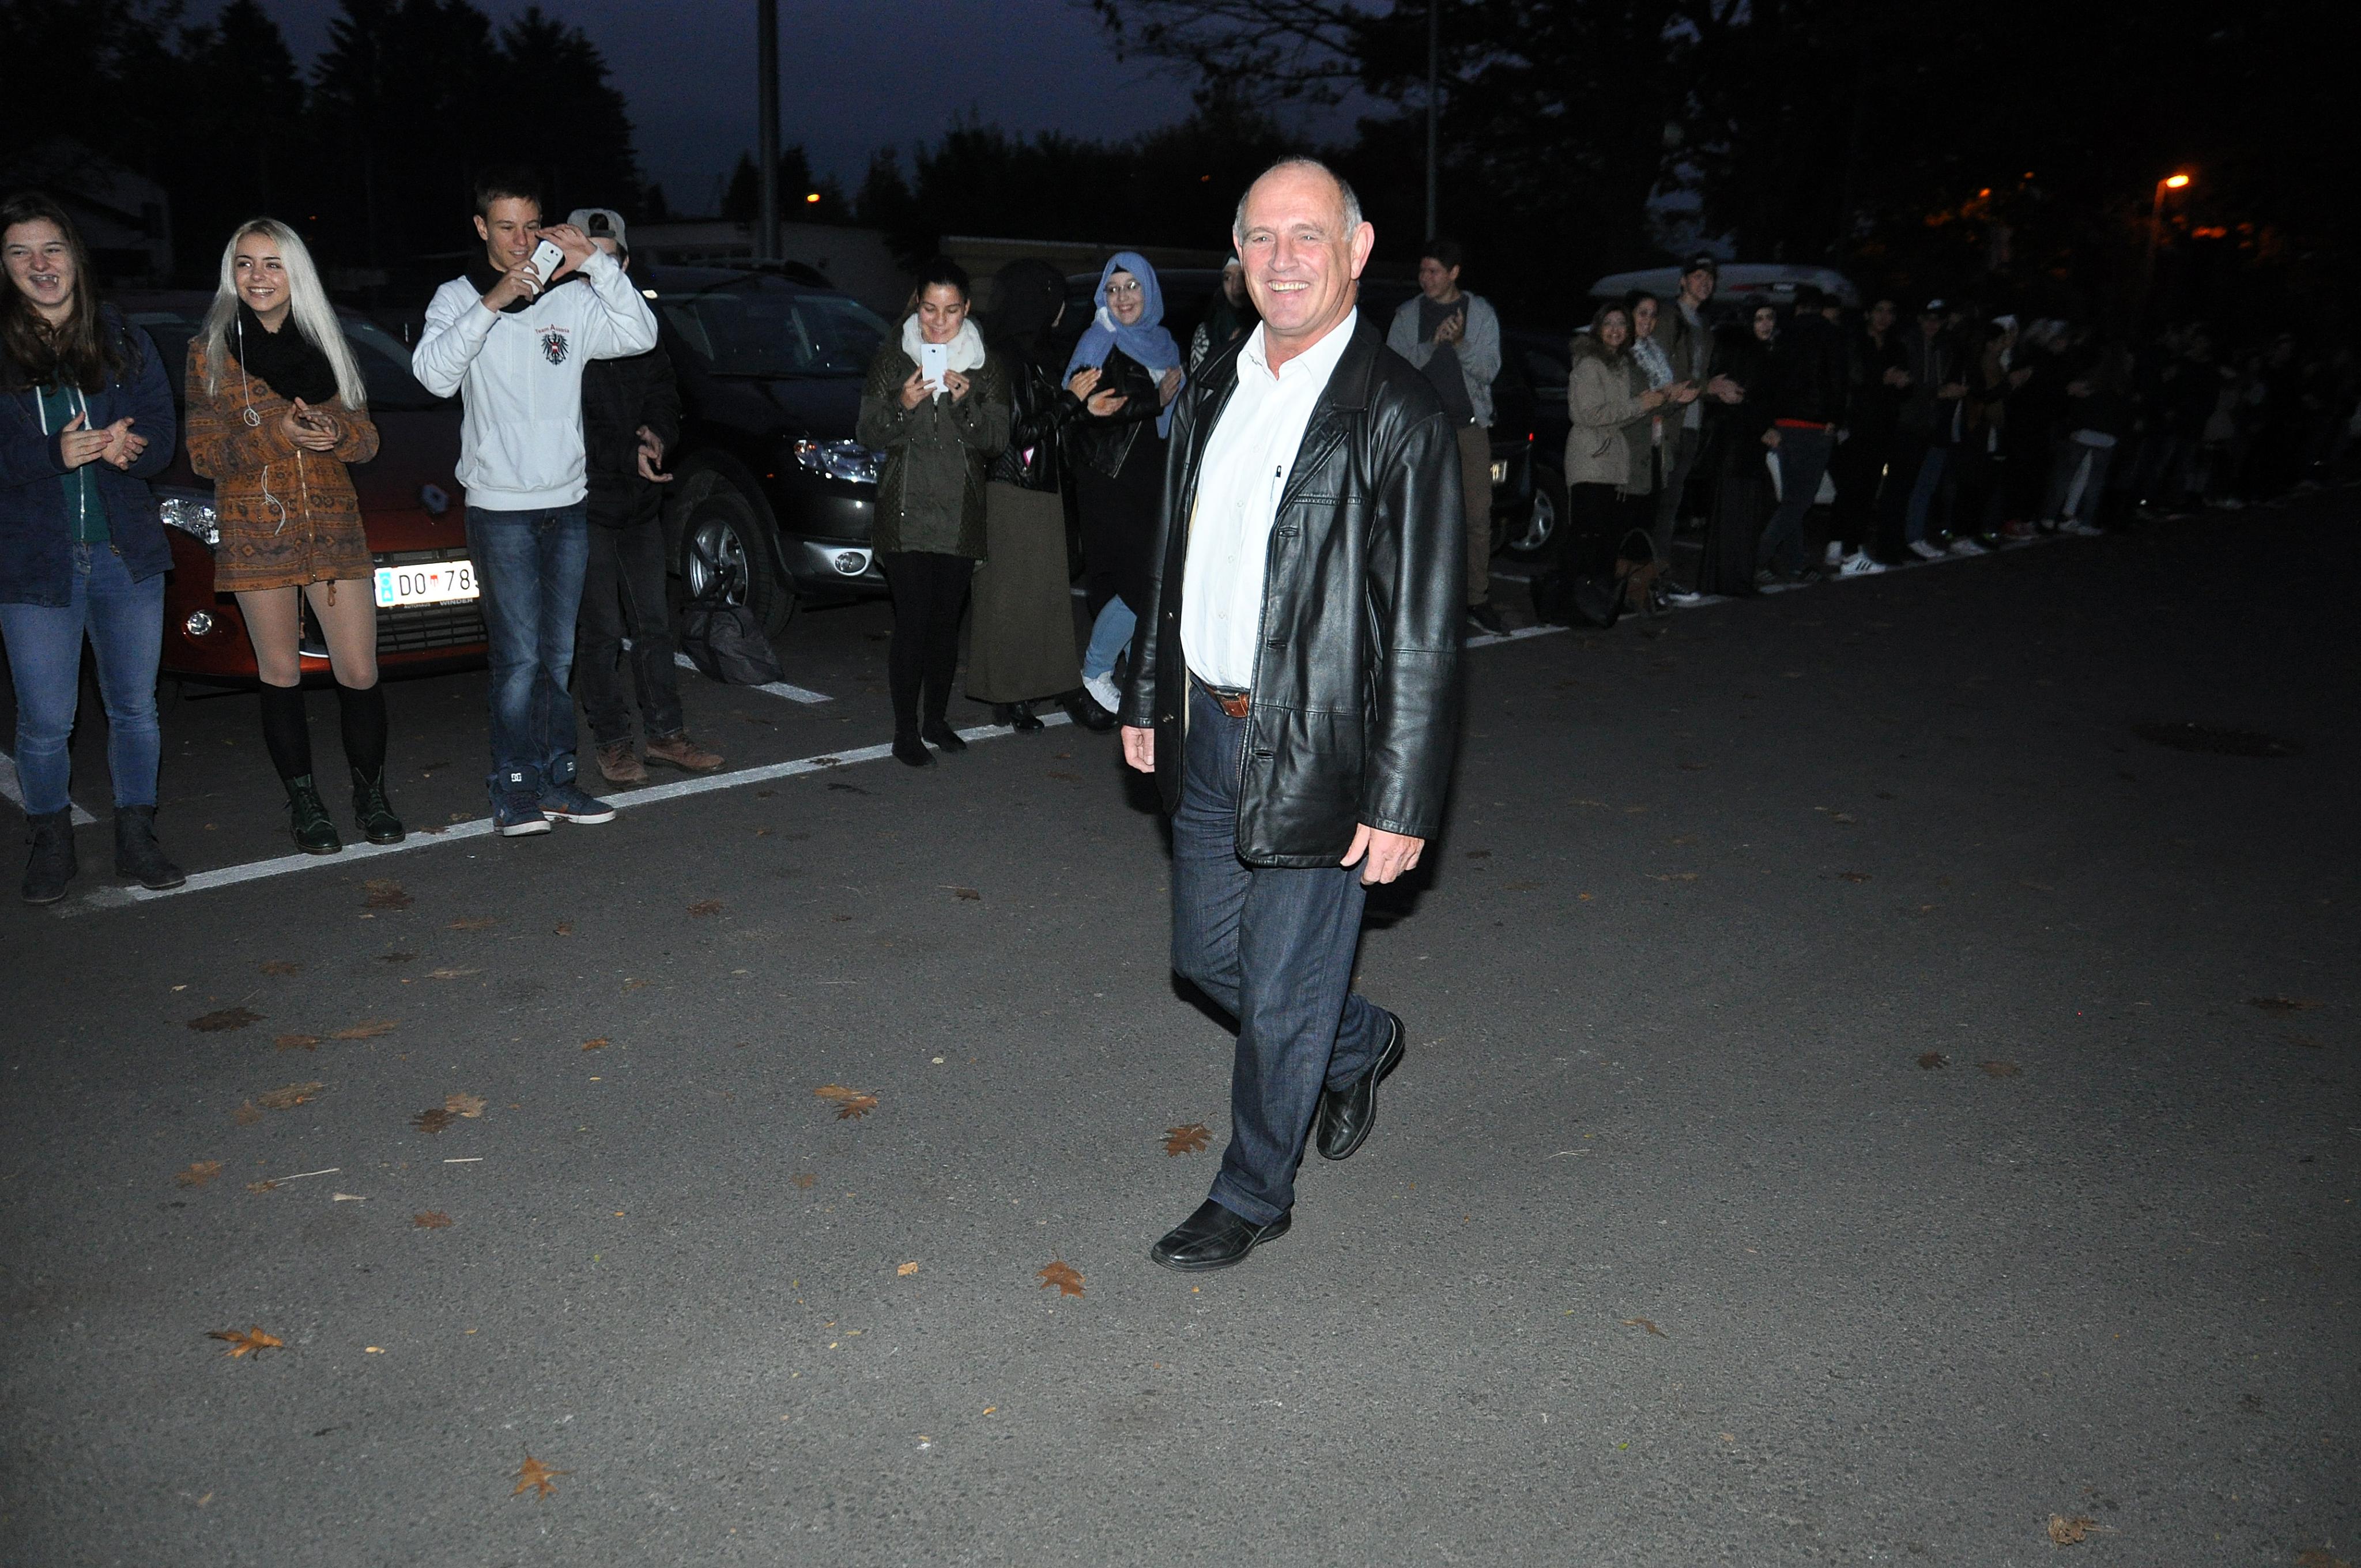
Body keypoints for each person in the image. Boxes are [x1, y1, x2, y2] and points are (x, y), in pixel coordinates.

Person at [1119, 157, 1463, 1272]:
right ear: (1237, 255)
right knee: (1206, 958)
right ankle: (1357, 1040)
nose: (1283, 259)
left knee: (1277, 990)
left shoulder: (1396, 411)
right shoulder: (1213, 385)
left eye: (1307, 235)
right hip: (1207, 728)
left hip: (1323, 743)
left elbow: (1424, 626)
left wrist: (1402, 797)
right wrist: (1145, 689)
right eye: (1261, 237)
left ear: (1356, 251)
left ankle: (1252, 1191)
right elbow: (1172, 557)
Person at [411, 172, 659, 835]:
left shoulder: (571, 299)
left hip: (568, 503)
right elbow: (433, 376)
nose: (521, 241)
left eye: (530, 226)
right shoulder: (457, 297)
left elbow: (640, 334)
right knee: (518, 661)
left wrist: (596, 264)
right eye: (505, 227)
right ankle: (514, 786)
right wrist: (491, 303)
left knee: (557, 658)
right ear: (480, 228)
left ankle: (557, 780)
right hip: (500, 509)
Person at [184, 218, 399, 855]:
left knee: (359, 669)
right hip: (257, 530)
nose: (258, 277)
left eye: (272, 264)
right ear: (231, 273)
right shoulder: (209, 351)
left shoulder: (327, 341)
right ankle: (306, 805)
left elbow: (368, 439)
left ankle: (371, 796)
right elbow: (204, 455)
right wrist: (278, 435)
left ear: (294, 272)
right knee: (281, 672)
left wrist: (336, 434)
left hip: (334, 528)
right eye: (245, 263)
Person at [0, 192, 182, 902]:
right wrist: (54, 453)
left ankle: (137, 837)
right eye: (20, 252)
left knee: (136, 707)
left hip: (124, 554)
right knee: (46, 721)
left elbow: (161, 428)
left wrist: (131, 448)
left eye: (52, 248)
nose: (40, 264)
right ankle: (51, 841)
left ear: (74, 256)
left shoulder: (121, 334)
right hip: (34, 564)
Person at [564, 209, 721, 787]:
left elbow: (666, 395)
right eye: (586, 260)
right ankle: (613, 743)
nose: (596, 270)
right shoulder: (558, 326)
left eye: (607, 259)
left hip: (640, 504)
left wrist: (657, 436)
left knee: (654, 625)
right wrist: (624, 449)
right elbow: (566, 421)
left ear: (624, 264)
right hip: (584, 504)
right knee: (601, 633)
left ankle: (665, 735)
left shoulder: (642, 324)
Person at [855, 258, 1011, 767]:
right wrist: (902, 403)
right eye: (929, 309)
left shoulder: (986, 365)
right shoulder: (892, 360)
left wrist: (966, 404)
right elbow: (868, 432)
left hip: (960, 512)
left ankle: (936, 720)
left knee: (946, 625)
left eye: (950, 310)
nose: (938, 321)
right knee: (913, 622)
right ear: (916, 306)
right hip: (904, 511)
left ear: (966, 309)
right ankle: (905, 731)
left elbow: (997, 441)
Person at [968, 257, 1096, 733]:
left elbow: (1049, 422)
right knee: (1013, 597)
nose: (1062, 310)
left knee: (1035, 597)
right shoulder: (1009, 357)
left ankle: (1022, 692)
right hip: (1017, 489)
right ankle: (1014, 694)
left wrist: (1081, 407)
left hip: (1037, 486)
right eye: (1057, 299)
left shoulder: (1033, 352)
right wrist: (1070, 400)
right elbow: (1019, 431)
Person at [1065, 252, 1184, 721]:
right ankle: (1096, 672)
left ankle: (1137, 684)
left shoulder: (1164, 344)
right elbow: (1084, 406)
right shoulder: (1101, 338)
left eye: (1132, 286)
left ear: (1149, 291)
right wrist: (1153, 400)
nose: (1123, 297)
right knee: (1143, 586)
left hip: (1151, 477)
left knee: (1145, 584)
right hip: (1110, 480)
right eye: (1113, 289)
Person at [1387, 237, 1504, 635]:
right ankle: (1424, 599)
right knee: (1422, 517)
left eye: (1434, 271)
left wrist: (1460, 343)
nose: (1426, 278)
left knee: (1476, 516)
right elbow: (1393, 370)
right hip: (1421, 432)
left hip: (1469, 428)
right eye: (1422, 270)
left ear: (1454, 273)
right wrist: (1431, 345)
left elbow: (1489, 369)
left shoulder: (1480, 312)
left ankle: (1476, 598)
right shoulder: (1408, 315)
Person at [1562, 302, 1679, 587]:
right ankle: (1573, 598)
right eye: (1609, 323)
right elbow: (1590, 414)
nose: (1615, 330)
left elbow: (1625, 413)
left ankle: (1599, 598)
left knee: (1605, 541)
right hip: (1591, 460)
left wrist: (1656, 402)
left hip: (1612, 462)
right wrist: (1641, 404)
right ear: (1598, 328)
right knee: (1586, 537)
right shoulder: (1590, 364)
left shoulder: (1621, 364)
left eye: (1621, 324)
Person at [1654, 254, 1742, 600]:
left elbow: (1700, 377)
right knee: (1659, 505)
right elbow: (1664, 373)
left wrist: (1717, 389)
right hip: (1665, 423)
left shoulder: (1703, 325)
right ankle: (1651, 579)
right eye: (1698, 276)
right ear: (1683, 280)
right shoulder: (1666, 317)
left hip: (1690, 425)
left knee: (1671, 505)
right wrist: (1709, 387)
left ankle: (1658, 576)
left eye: (1710, 278)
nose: (1705, 283)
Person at [1755, 284, 1849, 585]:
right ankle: (1756, 558)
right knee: (1798, 501)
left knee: (1792, 498)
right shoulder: (1831, 335)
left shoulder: (1783, 335)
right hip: (1814, 425)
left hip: (1784, 423)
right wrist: (1835, 417)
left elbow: (1772, 381)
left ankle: (1795, 563)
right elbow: (1838, 379)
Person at [1693, 301, 1781, 595]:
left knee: (1740, 513)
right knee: (1739, 513)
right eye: (1759, 319)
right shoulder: (1745, 351)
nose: (1766, 324)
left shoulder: (1757, 351)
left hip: (1742, 443)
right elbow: (1738, 398)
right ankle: (1734, 580)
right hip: (1737, 444)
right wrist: (1763, 426)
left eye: (1770, 318)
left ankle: (1730, 579)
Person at [1826, 295, 1905, 574]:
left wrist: (1902, 382)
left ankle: (1846, 546)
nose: (1884, 317)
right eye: (1879, 310)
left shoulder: (1896, 346)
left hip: (1882, 426)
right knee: (1851, 487)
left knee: (1868, 487)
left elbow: (1902, 387)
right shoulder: (1855, 341)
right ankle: (1845, 548)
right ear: (1868, 314)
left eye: (1890, 312)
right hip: (1855, 424)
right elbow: (1851, 378)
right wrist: (1882, 379)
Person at [1892, 300, 1968, 560]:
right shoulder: (1909, 343)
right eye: (1928, 318)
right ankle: (1908, 537)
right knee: (1909, 484)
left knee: (1927, 484)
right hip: (1911, 424)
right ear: (1919, 319)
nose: (1932, 324)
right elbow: (1910, 387)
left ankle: (1914, 536)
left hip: (1936, 424)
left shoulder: (1946, 346)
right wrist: (1939, 393)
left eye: (1938, 319)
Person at [1189, 258, 1256, 372]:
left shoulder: (1269, 328)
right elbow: (1197, 381)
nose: (1235, 286)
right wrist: (1227, 354)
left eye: (1242, 276)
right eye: (1228, 278)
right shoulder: (1207, 332)